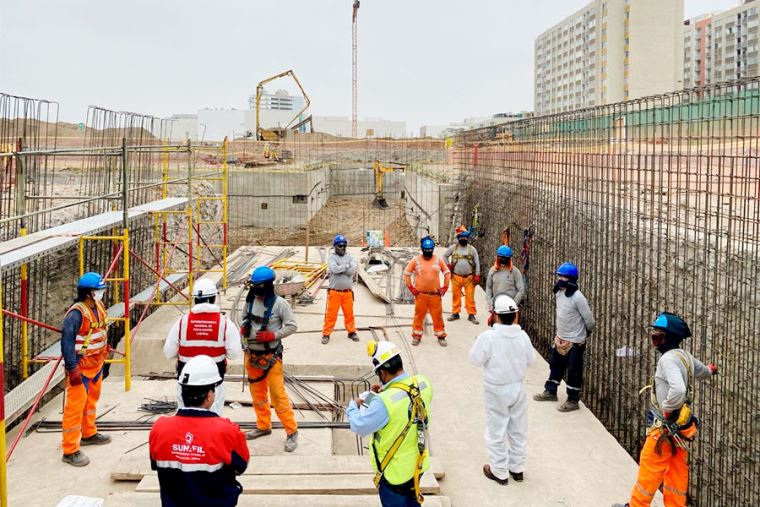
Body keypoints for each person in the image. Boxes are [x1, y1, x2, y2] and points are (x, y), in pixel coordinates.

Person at [612, 313, 717, 507]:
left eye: (657, 336)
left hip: (665, 428)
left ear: (668, 337)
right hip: (682, 427)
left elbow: (678, 388)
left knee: (649, 469)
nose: (654, 339)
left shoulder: (667, 360)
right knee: (676, 474)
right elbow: (701, 370)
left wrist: (668, 409)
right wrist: (711, 370)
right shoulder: (684, 355)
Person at [149, 355, 250, 507]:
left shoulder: (159, 428)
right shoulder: (227, 431)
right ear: (209, 396)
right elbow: (241, 465)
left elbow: (156, 463)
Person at [346, 341, 433, 507]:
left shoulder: (383, 402)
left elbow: (358, 425)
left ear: (383, 373)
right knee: (413, 499)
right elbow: (405, 400)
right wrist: (385, 392)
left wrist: (353, 405)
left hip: (395, 473)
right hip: (418, 463)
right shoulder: (423, 383)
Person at [469, 295, 536, 486]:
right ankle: (517, 468)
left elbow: (474, 360)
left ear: (496, 316)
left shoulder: (488, 337)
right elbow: (531, 361)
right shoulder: (522, 336)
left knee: (496, 429)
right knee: (518, 429)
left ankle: (499, 470)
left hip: (495, 389)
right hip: (517, 388)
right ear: (515, 315)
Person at [239, 266, 299, 452]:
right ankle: (263, 425)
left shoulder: (279, 304)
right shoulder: (249, 301)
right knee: (257, 395)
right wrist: (244, 328)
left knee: (277, 395)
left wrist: (272, 335)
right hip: (252, 356)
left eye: (258, 287)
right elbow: (243, 318)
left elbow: (291, 326)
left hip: (271, 357)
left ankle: (291, 430)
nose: (255, 291)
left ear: (266, 286)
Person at [164, 278, 242, 415]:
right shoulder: (225, 323)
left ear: (194, 299)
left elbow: (169, 352)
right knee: (212, 421)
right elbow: (234, 353)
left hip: (186, 386)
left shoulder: (182, 322)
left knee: (185, 421)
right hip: (213, 387)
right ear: (214, 298)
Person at [60, 272, 112, 467]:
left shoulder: (98, 306)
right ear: (90, 293)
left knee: (90, 402)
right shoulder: (76, 314)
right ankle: (70, 450)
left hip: (96, 364)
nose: (102, 293)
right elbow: (66, 341)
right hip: (80, 368)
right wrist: (72, 368)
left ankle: (89, 433)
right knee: (74, 408)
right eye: (99, 290)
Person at [533, 262, 595, 412]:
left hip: (575, 341)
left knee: (574, 371)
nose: (559, 279)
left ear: (571, 279)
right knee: (555, 366)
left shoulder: (578, 298)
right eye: (559, 276)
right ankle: (551, 391)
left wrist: (582, 336)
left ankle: (573, 400)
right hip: (560, 338)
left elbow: (589, 321)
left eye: (563, 277)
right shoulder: (559, 293)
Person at [403, 236, 451, 347]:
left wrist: (445, 287)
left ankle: (441, 335)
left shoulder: (438, 260)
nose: (428, 252)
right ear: (422, 249)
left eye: (430, 250)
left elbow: (447, 273)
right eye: (426, 250)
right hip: (421, 295)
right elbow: (406, 273)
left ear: (433, 249)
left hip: (435, 295)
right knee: (419, 316)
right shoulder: (416, 260)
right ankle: (416, 335)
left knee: (437, 316)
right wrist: (411, 288)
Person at [322, 234, 359, 345]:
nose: (342, 248)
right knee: (331, 315)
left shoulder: (350, 257)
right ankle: (326, 334)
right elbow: (334, 269)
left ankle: (351, 332)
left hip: (347, 293)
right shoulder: (332, 257)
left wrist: (341, 268)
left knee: (349, 314)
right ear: (335, 246)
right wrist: (346, 266)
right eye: (339, 245)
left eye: (343, 245)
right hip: (335, 292)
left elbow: (352, 271)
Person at [444, 225, 481, 324]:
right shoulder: (453, 248)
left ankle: (471, 314)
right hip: (456, 277)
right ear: (458, 238)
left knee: (470, 296)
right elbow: (444, 256)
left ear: (467, 238)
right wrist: (448, 265)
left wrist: (477, 275)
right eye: (461, 237)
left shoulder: (472, 249)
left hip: (469, 277)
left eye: (465, 237)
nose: (463, 239)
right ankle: (455, 313)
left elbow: (477, 262)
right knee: (455, 295)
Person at [485, 245, 525, 326]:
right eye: (500, 257)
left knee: (511, 330)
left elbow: (521, 290)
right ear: (497, 257)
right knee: (498, 330)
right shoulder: (493, 271)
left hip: (511, 310)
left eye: (506, 257)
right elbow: (488, 288)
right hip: (497, 308)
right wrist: (490, 303)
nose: (503, 259)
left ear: (510, 258)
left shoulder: (515, 272)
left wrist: (513, 304)